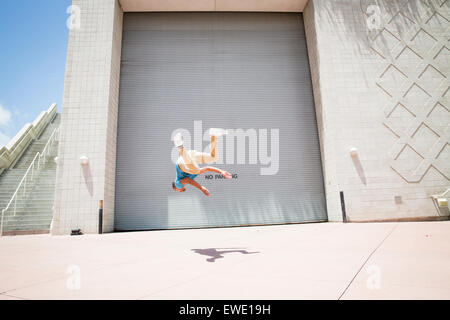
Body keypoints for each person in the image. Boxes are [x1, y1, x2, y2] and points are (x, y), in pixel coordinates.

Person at [172, 128, 231, 196]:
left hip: (182, 163)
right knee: (213, 157)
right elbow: (207, 168)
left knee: (194, 169)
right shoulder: (193, 174)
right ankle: (213, 135)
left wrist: (201, 188)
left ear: (175, 188)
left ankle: (180, 146)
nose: (181, 191)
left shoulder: (177, 184)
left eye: (179, 191)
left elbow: (188, 181)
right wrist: (221, 172)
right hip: (190, 156)